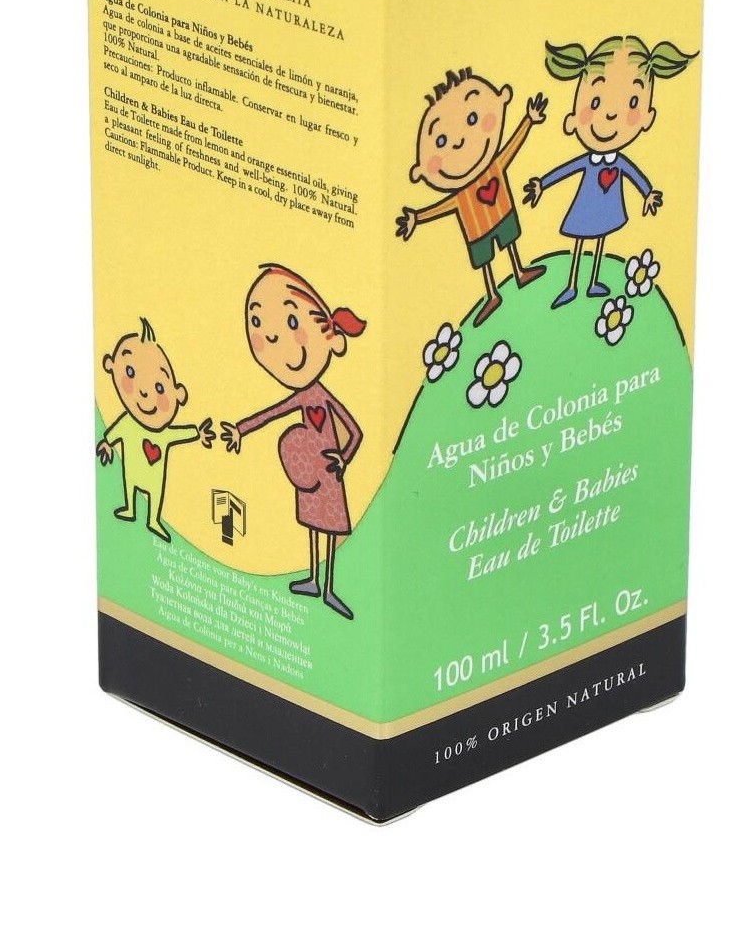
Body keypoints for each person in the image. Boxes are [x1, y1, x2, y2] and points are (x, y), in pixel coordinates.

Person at [221, 266, 366, 621]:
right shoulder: (303, 397)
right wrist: (240, 429)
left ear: (330, 338)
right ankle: (314, 580)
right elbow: (272, 413)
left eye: (291, 322)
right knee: (313, 527)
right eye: (258, 322)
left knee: (329, 531)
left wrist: (344, 459)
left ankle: (329, 587)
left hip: (327, 472)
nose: (272, 338)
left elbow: (355, 431)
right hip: (306, 473)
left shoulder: (322, 396)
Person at [524, 36, 697, 307]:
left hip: (608, 206)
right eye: (595, 103)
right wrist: (541, 184)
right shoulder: (588, 160)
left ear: (648, 117)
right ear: (572, 119)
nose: (611, 115)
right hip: (585, 206)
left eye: (631, 103)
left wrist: (648, 193)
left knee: (600, 241)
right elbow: (566, 170)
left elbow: (634, 175)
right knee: (580, 242)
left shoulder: (619, 162)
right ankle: (571, 284)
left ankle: (593, 281)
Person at [395, 67, 547, 327]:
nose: (459, 142)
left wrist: (528, 120)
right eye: (441, 141)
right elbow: (444, 206)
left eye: (473, 118)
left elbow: (512, 145)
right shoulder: (462, 195)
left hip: (502, 213)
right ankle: (492, 294)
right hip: (477, 231)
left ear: (501, 100)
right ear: (421, 169)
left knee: (510, 242)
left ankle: (519, 271)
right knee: (485, 261)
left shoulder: (494, 167)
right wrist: (417, 217)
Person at [97, 317, 216, 541]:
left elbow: (180, 433)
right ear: (110, 365)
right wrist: (105, 443)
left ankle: (153, 520)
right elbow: (113, 434)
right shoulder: (128, 422)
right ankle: (130, 509)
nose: (144, 392)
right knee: (129, 484)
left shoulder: (162, 433)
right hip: (132, 470)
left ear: (178, 394)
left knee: (155, 493)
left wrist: (198, 433)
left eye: (159, 388)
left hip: (153, 477)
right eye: (130, 372)